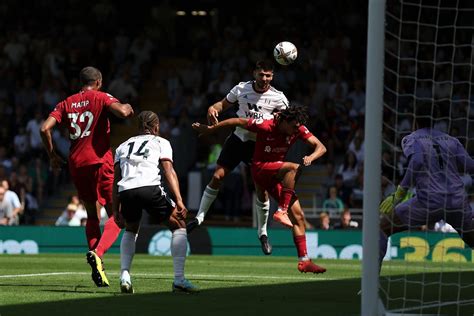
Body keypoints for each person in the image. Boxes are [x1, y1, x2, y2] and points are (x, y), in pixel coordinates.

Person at [192, 106, 327, 273]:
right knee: (293, 168)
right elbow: (237, 121)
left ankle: (304, 260)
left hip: (276, 173)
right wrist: (212, 128)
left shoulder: (296, 128)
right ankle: (281, 211)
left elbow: (321, 147)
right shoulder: (265, 124)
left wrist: (311, 157)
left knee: (299, 216)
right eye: (293, 127)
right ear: (284, 121)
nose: (295, 131)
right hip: (260, 169)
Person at [40, 66, 134, 287]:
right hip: (100, 162)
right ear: (99, 82)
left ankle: (96, 261)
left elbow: (45, 128)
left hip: (77, 164)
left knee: (92, 215)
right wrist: (128, 108)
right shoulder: (101, 96)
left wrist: (53, 156)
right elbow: (121, 112)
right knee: (117, 216)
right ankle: (98, 254)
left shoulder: (66, 102)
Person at [187, 60, 289, 256]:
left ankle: (263, 233)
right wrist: (213, 108)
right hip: (238, 138)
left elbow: (287, 123)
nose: (265, 79)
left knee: (262, 190)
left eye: (268, 75)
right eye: (262, 75)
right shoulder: (241, 88)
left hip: (259, 146)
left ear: (272, 76)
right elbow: (222, 104)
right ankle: (199, 218)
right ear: (254, 73)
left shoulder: (279, 98)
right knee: (217, 176)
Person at [379, 103, 474, 272]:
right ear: (435, 120)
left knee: (381, 228)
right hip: (457, 202)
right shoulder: (452, 140)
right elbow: (470, 166)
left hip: (429, 201)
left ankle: (372, 284)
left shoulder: (411, 138)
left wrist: (400, 192)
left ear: (414, 120)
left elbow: (416, 161)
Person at [113, 111, 198, 294]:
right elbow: (169, 172)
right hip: (149, 188)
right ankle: (179, 280)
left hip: (126, 191)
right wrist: (179, 200)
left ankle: (125, 275)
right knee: (179, 225)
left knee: (130, 228)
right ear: (156, 127)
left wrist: (114, 210)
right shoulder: (161, 142)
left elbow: (115, 180)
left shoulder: (122, 146)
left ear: (139, 127)